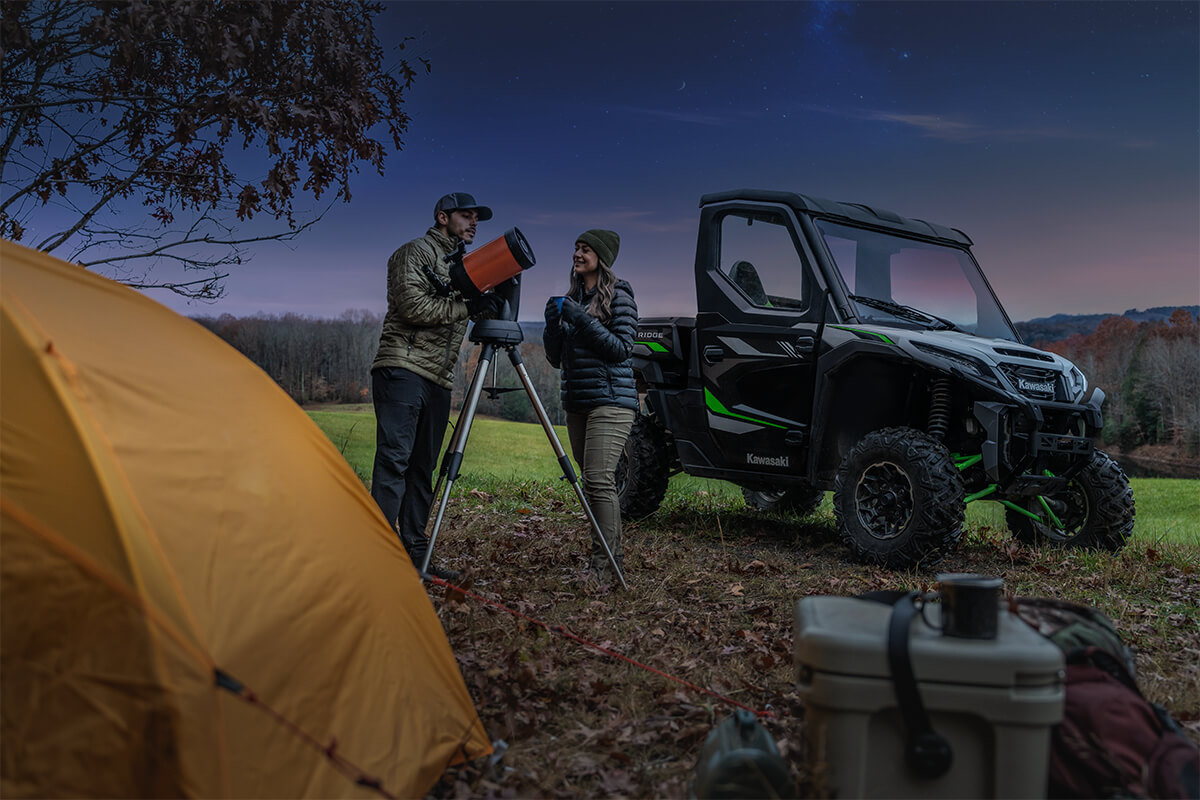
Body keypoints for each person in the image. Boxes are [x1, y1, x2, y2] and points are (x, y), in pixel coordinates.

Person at [370, 192, 504, 581]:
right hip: (402, 368)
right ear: (442, 217)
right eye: (467, 216)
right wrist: (469, 306)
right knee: (394, 461)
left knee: (422, 468)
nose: (474, 223)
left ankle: (414, 554)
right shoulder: (413, 253)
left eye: (477, 218)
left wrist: (487, 298)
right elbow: (414, 307)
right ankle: (376, 553)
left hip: (438, 377)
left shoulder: (462, 265)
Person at [543, 229, 638, 585]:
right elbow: (555, 359)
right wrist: (553, 324)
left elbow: (620, 349)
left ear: (601, 257)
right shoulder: (574, 299)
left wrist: (580, 320)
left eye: (585, 249)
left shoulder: (620, 296)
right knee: (594, 482)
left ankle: (605, 569)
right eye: (576, 248)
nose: (577, 254)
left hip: (611, 402)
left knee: (599, 479)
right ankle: (608, 562)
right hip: (578, 402)